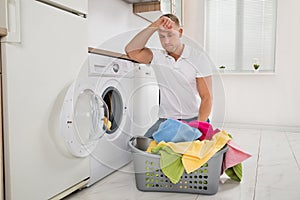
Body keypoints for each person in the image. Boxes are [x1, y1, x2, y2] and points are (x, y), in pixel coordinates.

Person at [125, 14, 213, 138]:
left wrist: (199, 127)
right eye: (162, 36)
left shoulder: (198, 58)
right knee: (144, 150)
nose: (166, 41)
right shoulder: (157, 56)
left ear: (180, 32)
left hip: (192, 120)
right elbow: (131, 50)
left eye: (170, 35)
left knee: (193, 153)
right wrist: (154, 25)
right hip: (166, 121)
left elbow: (207, 98)